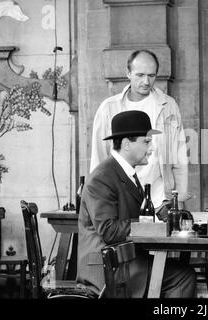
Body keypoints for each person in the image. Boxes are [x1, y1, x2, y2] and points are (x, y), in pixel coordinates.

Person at [77, 110, 196, 298]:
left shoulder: (124, 173)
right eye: (146, 142)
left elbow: (131, 218)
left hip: (124, 261)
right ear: (126, 144)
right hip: (108, 269)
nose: (152, 149)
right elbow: (109, 230)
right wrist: (150, 225)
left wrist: (159, 214)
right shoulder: (102, 178)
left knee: (182, 271)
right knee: (183, 276)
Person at [90, 49, 189, 216]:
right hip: (121, 200)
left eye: (151, 75)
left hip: (160, 202)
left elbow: (179, 157)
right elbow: (99, 159)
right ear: (128, 73)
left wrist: (179, 200)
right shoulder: (109, 108)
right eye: (140, 75)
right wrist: (100, 202)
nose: (146, 81)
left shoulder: (168, 106)